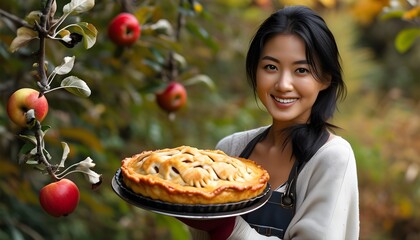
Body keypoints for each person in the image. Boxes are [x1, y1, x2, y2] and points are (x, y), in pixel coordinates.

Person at [178, 5, 359, 240]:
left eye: (301, 70)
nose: (283, 84)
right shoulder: (230, 151)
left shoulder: (331, 157)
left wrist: (228, 227)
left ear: (325, 79)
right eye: (271, 67)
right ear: (255, 71)